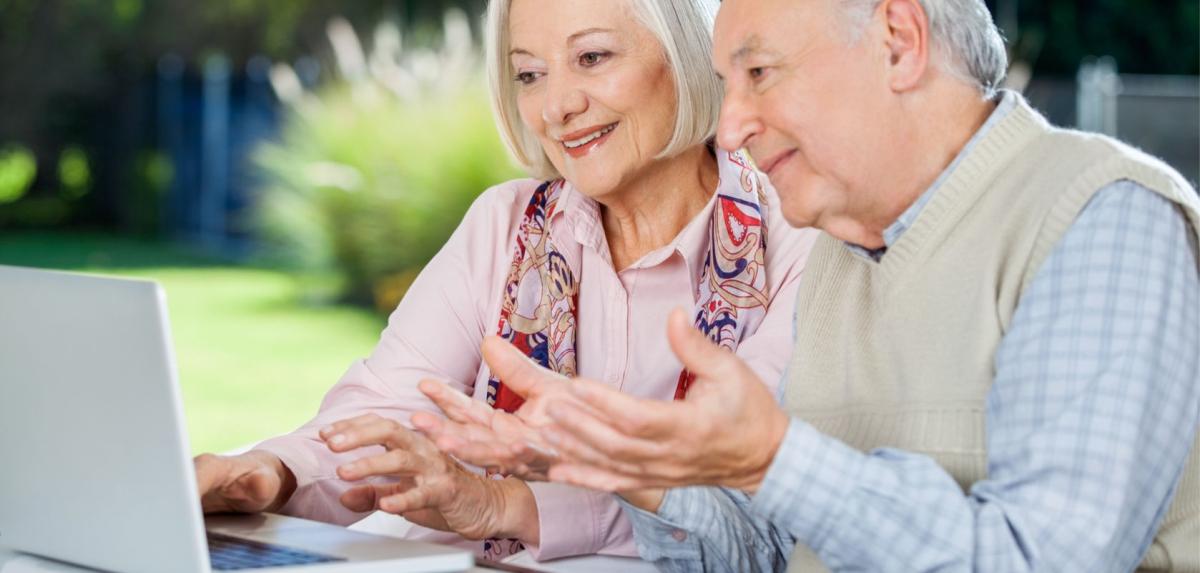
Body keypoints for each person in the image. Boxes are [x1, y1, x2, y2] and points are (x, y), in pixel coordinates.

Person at [414, 0, 1200, 570]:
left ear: (898, 41)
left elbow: (1046, 559)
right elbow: (762, 547)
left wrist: (772, 458)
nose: (731, 125)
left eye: (759, 73)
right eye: (730, 82)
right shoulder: (836, 253)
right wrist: (636, 464)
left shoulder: (1101, 216)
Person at [193, 0, 818, 563]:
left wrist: (509, 505)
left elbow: (747, 511)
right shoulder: (505, 224)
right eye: (529, 74)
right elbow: (387, 407)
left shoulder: (795, 240)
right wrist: (270, 473)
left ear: (688, 55)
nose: (556, 106)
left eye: (592, 57)